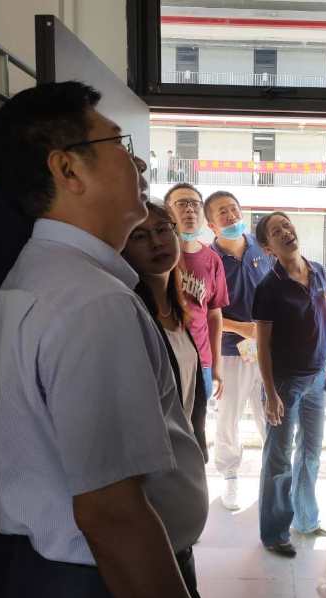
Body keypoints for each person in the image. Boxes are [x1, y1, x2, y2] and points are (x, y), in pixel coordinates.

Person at [0, 81, 207, 598]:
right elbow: (112, 513)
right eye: (121, 145)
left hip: (67, 571)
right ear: (68, 169)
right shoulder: (93, 301)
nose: (139, 163)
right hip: (106, 578)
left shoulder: (40, 273)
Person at [252, 211, 326, 558]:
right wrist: (271, 393)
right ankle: (274, 533)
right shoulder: (268, 287)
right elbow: (262, 345)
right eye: (276, 231)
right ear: (268, 247)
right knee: (278, 460)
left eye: (286, 225)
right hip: (285, 384)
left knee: (310, 453)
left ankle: (306, 519)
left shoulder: (317, 271)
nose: (286, 232)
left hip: (317, 378)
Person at [123, 202, 209, 462]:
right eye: (140, 236)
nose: (156, 242)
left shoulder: (178, 312)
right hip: (155, 463)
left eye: (162, 229)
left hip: (185, 458)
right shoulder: (130, 315)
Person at [205, 191, 271, 511]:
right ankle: (230, 476)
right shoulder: (208, 259)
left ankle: (274, 477)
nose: (231, 215)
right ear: (211, 225)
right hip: (231, 351)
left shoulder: (261, 248)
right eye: (222, 212)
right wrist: (241, 328)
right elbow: (205, 310)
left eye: (234, 209)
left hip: (268, 349)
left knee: (271, 413)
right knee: (228, 416)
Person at [164, 183, 229, 403]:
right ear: (167, 211)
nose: (190, 209)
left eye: (195, 204)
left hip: (202, 363)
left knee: (197, 422)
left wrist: (216, 365)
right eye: (182, 204)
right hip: (165, 358)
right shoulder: (158, 255)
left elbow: (214, 315)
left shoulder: (213, 260)